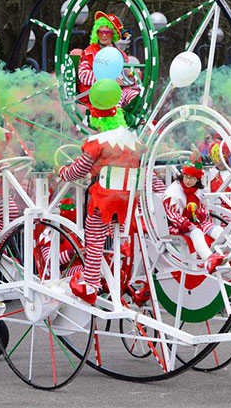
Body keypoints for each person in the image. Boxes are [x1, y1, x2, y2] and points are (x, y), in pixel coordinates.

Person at [59, 80, 143, 303]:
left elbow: (79, 170)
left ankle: (90, 283)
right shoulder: (134, 140)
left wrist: (62, 172)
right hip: (127, 202)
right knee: (121, 232)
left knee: (94, 237)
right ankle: (124, 260)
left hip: (104, 200)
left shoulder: (97, 141)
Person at [162, 154, 226, 273]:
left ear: (197, 179)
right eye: (186, 176)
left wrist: (201, 214)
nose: (187, 180)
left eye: (191, 178)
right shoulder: (174, 191)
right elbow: (170, 213)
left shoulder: (199, 190)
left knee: (217, 229)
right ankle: (208, 259)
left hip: (197, 222)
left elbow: (203, 209)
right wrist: (183, 222)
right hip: (179, 225)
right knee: (196, 233)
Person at [77, 12, 142, 111]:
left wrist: (134, 73)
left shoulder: (120, 54)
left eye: (108, 32)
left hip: (122, 89)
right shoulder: (89, 53)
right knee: (115, 96)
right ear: (96, 33)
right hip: (99, 93)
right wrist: (108, 79)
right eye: (100, 32)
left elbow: (126, 74)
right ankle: (116, 123)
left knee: (136, 98)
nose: (103, 35)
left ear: (113, 34)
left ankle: (138, 123)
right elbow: (83, 75)